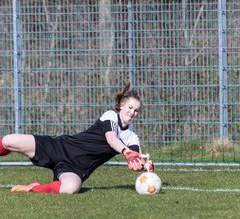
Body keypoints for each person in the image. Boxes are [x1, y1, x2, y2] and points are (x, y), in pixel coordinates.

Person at [1, 82, 153, 194]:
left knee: (70, 189)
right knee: (8, 141)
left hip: (76, 168)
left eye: (137, 110)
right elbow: (111, 139)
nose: (132, 112)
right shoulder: (110, 116)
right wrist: (126, 152)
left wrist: (145, 166)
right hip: (60, 148)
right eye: (130, 107)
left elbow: (136, 159)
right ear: (121, 105)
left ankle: (32, 188)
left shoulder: (132, 138)